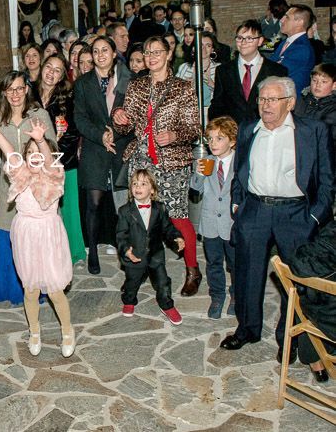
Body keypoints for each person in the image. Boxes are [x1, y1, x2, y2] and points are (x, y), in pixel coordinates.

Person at [220, 76, 334, 364]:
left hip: (295, 214)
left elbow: (327, 181)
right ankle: (247, 329)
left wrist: (314, 218)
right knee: (247, 273)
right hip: (254, 210)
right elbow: (240, 171)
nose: (265, 105)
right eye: (262, 99)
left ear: (291, 103)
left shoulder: (313, 130)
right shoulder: (249, 129)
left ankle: (290, 339)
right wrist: (237, 204)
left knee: (297, 280)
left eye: (273, 99)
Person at [112, 35, 202, 296]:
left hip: (172, 162)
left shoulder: (182, 88)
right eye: (147, 53)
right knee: (140, 218)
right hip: (141, 161)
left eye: (156, 52)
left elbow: (194, 128)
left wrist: (174, 135)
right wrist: (119, 118)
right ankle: (140, 269)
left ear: (168, 54)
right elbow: (127, 125)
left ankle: (193, 269)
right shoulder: (136, 86)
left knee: (177, 217)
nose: (151, 57)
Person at [0, 115, 75, 358]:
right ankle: (35, 332)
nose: (35, 154)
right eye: (30, 150)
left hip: (48, 234)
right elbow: (10, 152)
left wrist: (41, 140)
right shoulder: (19, 173)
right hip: (26, 235)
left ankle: (67, 331)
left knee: (55, 290)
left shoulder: (54, 174)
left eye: (39, 151)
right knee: (31, 289)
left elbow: (47, 157)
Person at [0, 72, 56, 304]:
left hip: (37, 190)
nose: (15, 94)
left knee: (36, 239)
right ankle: (9, 287)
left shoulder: (40, 115)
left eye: (19, 88)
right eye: (10, 89)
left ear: (26, 89)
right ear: (4, 93)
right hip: (9, 189)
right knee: (5, 237)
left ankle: (41, 287)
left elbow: (52, 150)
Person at [74, 36, 133, 274]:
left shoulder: (128, 79)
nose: (100, 55)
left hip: (121, 146)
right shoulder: (83, 83)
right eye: (96, 51)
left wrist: (115, 135)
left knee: (123, 205)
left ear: (113, 52)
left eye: (104, 50)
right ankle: (94, 253)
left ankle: (125, 250)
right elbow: (79, 118)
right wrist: (101, 136)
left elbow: (134, 115)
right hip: (94, 147)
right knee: (94, 204)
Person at [117, 169, 185, 324]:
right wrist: (126, 250)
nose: (138, 187)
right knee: (132, 282)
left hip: (155, 254)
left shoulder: (160, 208)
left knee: (162, 282)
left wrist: (177, 237)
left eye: (143, 184)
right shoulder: (125, 211)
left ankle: (166, 305)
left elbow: (168, 228)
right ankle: (129, 300)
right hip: (134, 255)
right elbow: (121, 235)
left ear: (152, 190)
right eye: (134, 184)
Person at [35, 55, 85, 264]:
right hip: (34, 161)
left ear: (62, 76)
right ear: (41, 67)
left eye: (57, 70)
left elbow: (73, 133)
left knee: (69, 210)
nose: (51, 72)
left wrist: (53, 158)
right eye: (48, 67)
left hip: (63, 161)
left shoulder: (67, 98)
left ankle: (73, 253)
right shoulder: (29, 94)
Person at [189, 116, 238, 319]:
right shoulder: (206, 162)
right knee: (214, 262)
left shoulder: (240, 162)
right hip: (210, 222)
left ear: (232, 141)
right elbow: (195, 189)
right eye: (210, 139)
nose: (213, 143)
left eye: (219, 138)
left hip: (231, 223)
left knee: (235, 263)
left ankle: (236, 296)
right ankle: (217, 296)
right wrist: (198, 174)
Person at [209, 19, 288, 125]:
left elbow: (282, 107)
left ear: (260, 41)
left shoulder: (277, 71)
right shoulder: (223, 71)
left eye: (249, 38)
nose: (243, 42)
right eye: (240, 38)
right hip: (233, 133)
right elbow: (217, 106)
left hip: (265, 130)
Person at [289, 219, 336, 383]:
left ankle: (316, 361)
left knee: (305, 297)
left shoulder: (330, 232)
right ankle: (316, 360)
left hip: (318, 311)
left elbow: (297, 261)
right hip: (328, 319)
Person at [270, 4, 316, 96]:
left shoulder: (302, 48)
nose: (282, 20)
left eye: (286, 17)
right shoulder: (284, 43)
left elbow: (275, 72)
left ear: (299, 22)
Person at [176, 31, 220, 119]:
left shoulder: (219, 68)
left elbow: (226, 97)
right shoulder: (184, 68)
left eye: (208, 45)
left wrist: (211, 84)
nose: (203, 49)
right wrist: (188, 86)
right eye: (200, 45)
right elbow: (175, 95)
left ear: (212, 49)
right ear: (193, 48)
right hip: (188, 115)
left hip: (212, 116)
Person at [294, 63, 336, 144]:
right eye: (314, 80)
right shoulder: (301, 101)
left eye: (324, 82)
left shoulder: (333, 109)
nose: (317, 85)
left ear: (334, 85)